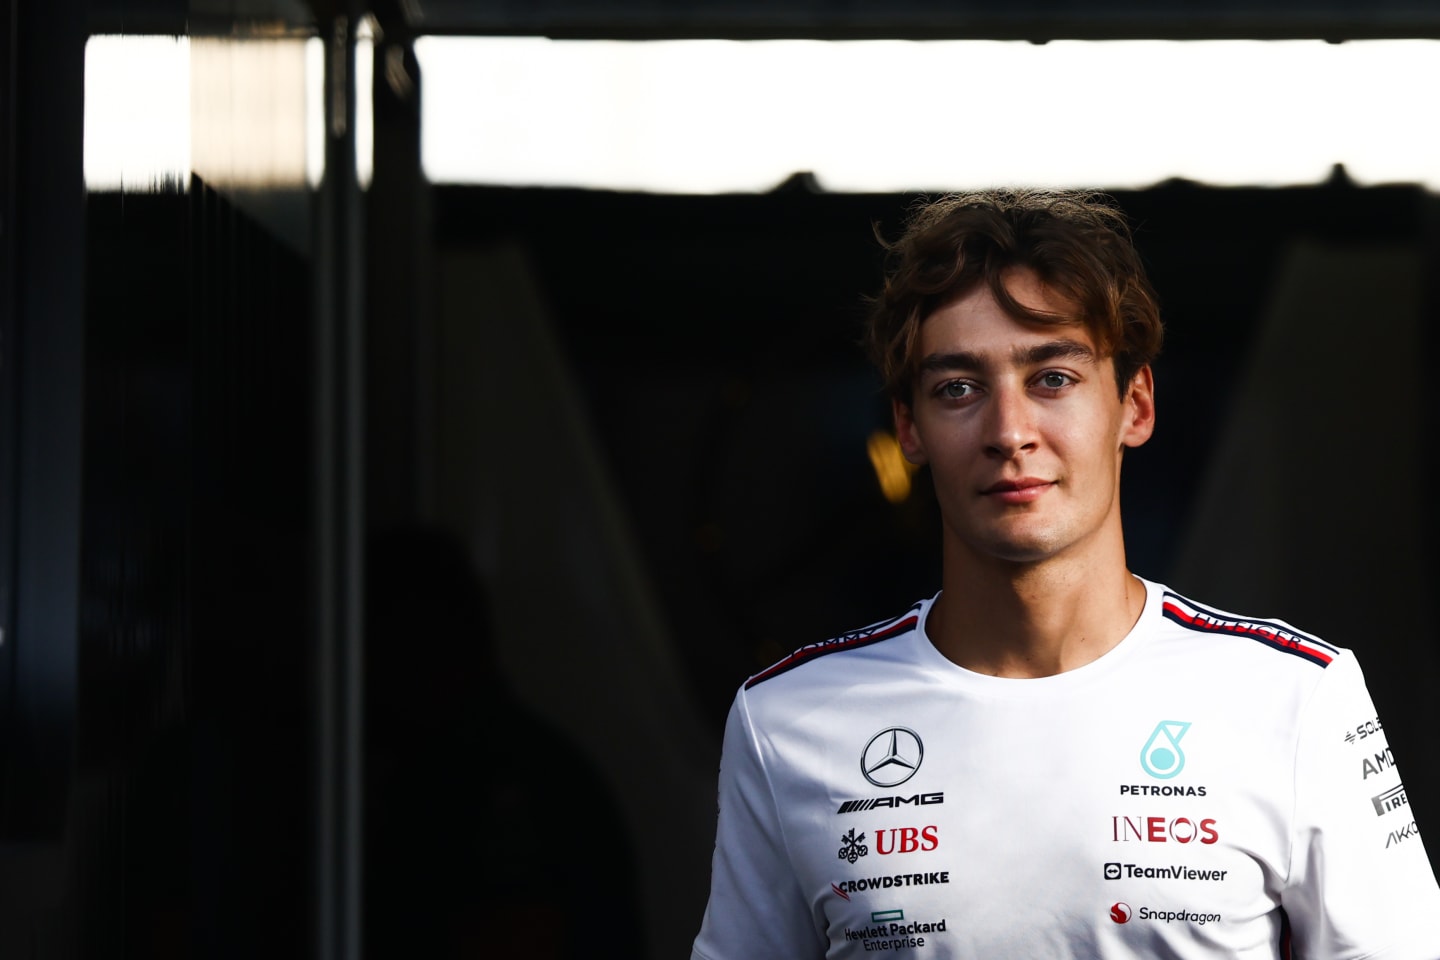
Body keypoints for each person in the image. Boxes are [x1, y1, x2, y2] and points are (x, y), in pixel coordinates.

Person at [690, 190, 1440, 958]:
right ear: (908, 427)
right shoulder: (785, 721)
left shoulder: (1299, 697)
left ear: (1135, 406)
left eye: (1052, 378)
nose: (1010, 432)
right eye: (958, 388)